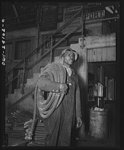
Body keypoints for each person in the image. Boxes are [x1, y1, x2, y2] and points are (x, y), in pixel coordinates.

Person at [24, 48, 83, 146]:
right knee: (52, 139)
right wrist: (58, 86)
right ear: (62, 57)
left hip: (70, 113)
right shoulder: (54, 69)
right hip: (55, 110)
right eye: (69, 54)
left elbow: (77, 96)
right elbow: (41, 83)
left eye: (73, 55)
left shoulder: (75, 76)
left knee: (66, 139)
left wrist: (78, 115)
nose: (71, 56)